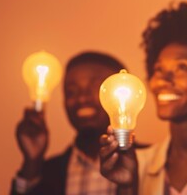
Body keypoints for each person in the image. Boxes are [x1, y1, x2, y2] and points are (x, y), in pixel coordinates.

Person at [99, 0, 187, 195]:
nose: (164, 79)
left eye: (181, 68)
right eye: (159, 69)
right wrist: (127, 187)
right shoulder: (138, 164)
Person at [11, 51, 140, 195]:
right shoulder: (49, 172)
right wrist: (32, 163)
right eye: (71, 91)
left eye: (96, 87)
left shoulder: (154, 163)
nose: (82, 98)